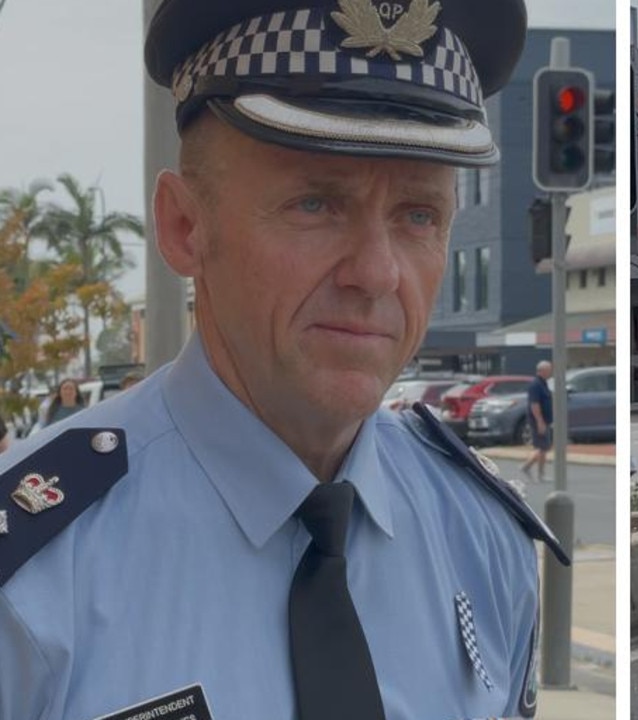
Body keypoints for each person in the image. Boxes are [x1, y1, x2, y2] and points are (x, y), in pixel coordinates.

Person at [0, 2, 567, 718]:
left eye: (418, 215)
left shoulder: (482, 537)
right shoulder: (33, 582)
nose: (377, 273)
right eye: (315, 204)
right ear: (184, 226)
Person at [521, 360, 553, 483]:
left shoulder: (544, 384)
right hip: (539, 420)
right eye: (548, 370)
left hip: (545, 419)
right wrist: (540, 421)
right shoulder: (535, 385)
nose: (550, 372)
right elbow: (535, 404)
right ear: (541, 371)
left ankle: (540, 474)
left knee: (544, 447)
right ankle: (527, 467)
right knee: (541, 447)